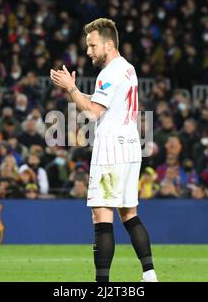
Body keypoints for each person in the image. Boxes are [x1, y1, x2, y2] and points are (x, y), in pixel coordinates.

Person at [50, 18, 157, 282]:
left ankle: (102, 284)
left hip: (111, 151)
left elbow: (93, 112)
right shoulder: (128, 68)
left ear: (108, 44)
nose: (88, 51)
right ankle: (150, 274)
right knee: (129, 213)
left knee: (101, 215)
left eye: (92, 45)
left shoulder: (109, 73)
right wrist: (76, 91)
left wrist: (71, 89)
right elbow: (104, 102)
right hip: (131, 148)